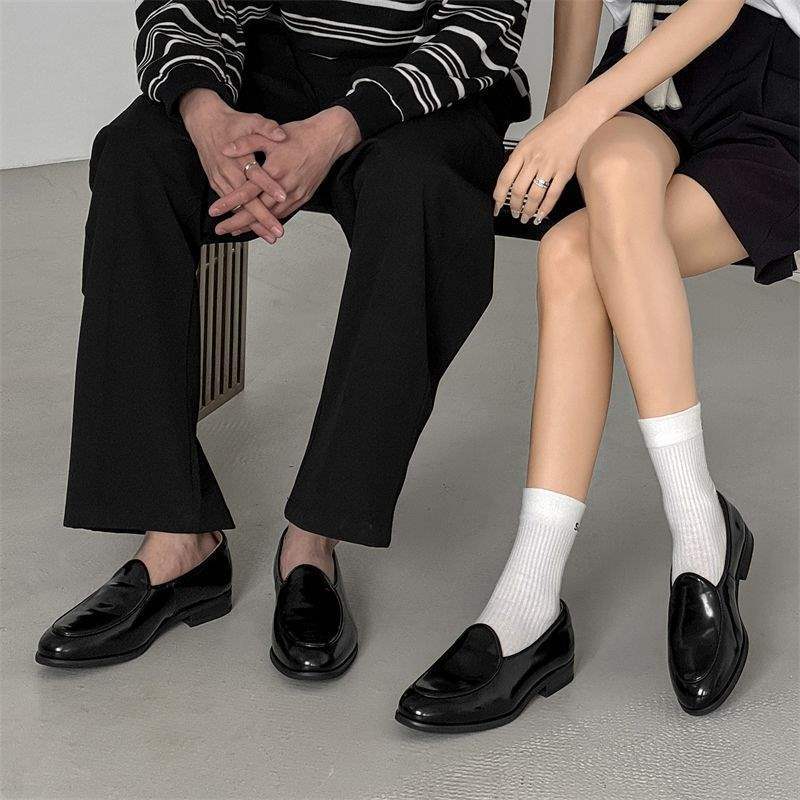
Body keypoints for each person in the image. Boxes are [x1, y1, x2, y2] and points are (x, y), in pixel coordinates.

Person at [35, 0, 532, 675]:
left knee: (419, 193)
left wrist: (337, 129)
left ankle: (313, 542)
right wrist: (205, 113)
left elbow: (483, 28)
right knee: (136, 155)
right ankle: (177, 542)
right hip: (263, 69)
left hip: (423, 88)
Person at [396, 0, 798, 732]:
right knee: (602, 183)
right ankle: (666, 542)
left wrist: (575, 118)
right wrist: (557, 124)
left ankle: (569, 584)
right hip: (639, 77)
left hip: (770, 79)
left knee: (573, 256)